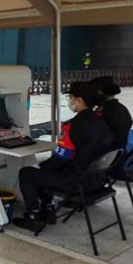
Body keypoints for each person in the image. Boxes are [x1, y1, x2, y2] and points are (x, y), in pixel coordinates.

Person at [12, 81, 113, 232]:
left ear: (79, 100)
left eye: (70, 98)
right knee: (45, 172)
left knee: (27, 173)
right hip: (97, 180)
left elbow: (60, 159)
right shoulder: (100, 122)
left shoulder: (74, 125)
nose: (70, 101)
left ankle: (33, 216)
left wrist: (40, 166)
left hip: (77, 182)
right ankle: (49, 211)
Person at [90, 76, 133, 150]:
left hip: (104, 152)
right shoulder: (122, 108)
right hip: (118, 151)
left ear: (101, 92)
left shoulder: (105, 112)